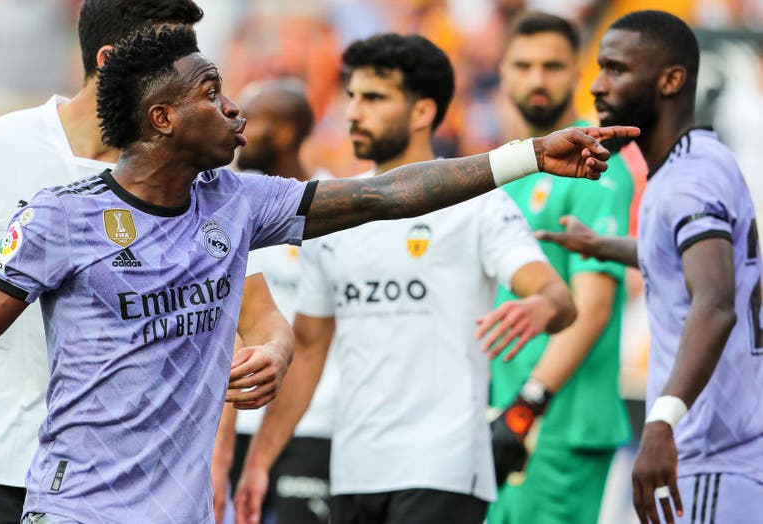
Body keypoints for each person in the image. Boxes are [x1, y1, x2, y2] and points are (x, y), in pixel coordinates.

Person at [0, 25, 635, 524]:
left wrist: (527, 156)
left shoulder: (237, 202)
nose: (234, 108)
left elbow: (385, 195)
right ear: (161, 119)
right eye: (211, 93)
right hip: (76, 508)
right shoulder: (59, 219)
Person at [0, 2, 292, 522]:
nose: (184, 64)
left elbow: (261, 317)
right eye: (167, 51)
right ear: (110, 61)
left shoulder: (195, 179)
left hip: (130, 486)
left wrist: (274, 352)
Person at [233, 33, 578, 524]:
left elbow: (558, 297)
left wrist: (542, 305)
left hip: (444, 468)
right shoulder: (333, 212)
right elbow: (308, 349)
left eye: (374, 98)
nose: (354, 113)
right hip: (353, 470)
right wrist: (260, 462)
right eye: (352, 97)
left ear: (422, 111)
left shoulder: (478, 203)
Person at [535, 10, 763, 524]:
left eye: (616, 69)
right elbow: (695, 260)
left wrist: (661, 423)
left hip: (712, 458)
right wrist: (606, 246)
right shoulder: (701, 158)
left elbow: (716, 303)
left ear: (670, 80)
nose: (598, 85)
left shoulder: (686, 181)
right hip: (727, 457)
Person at [486, 12, 633, 524]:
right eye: (523, 65)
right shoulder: (502, 168)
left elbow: (593, 307)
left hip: (556, 421)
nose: (537, 79)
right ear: (502, 72)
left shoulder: (593, 167)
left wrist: (527, 406)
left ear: (577, 73)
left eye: (552, 66)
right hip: (502, 415)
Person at [219, 79, 339, 524]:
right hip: (236, 416)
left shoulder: (335, 206)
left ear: (287, 131)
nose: (239, 126)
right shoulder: (227, 204)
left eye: (255, 118)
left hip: (315, 423)